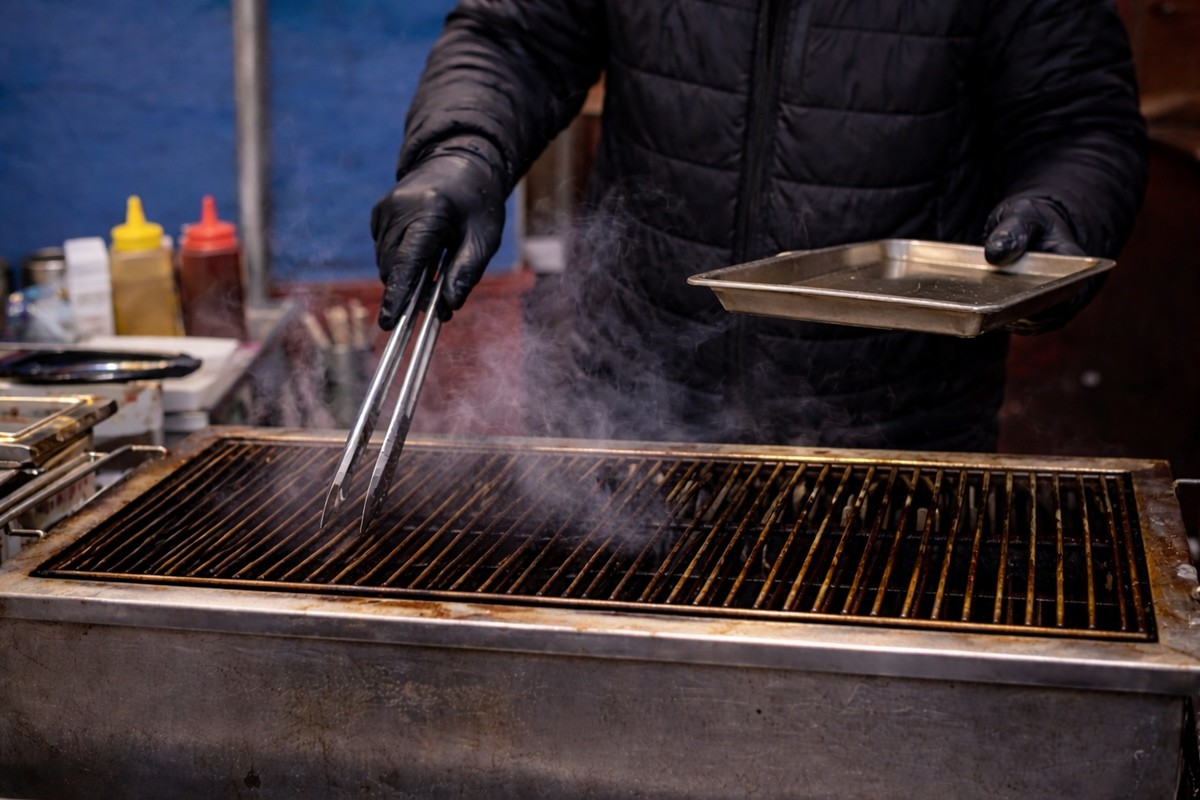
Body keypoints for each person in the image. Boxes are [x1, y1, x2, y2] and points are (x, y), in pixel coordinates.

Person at [370, 0, 1148, 452]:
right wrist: (460, 152)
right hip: (629, 413)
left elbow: (1078, 121)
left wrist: (1062, 211)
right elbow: (516, 38)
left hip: (891, 438)